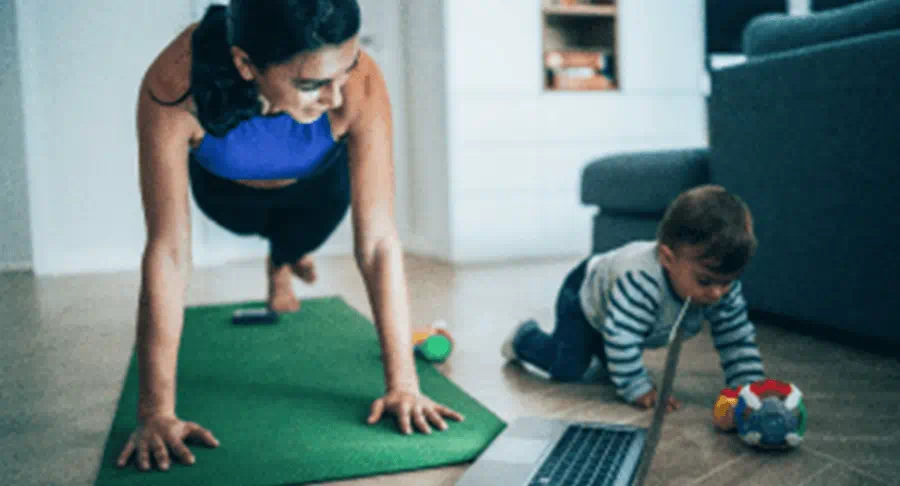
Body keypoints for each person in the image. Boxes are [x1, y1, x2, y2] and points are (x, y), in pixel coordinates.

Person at [117, 0, 463, 473]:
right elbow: (168, 252)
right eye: (312, 84)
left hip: (315, 191)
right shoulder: (176, 82)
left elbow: (379, 243)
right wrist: (155, 412)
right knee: (249, 223)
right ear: (245, 64)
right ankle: (283, 258)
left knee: (302, 234)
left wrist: (403, 383)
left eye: (344, 71)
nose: (336, 97)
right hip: (226, 195)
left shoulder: (359, 83)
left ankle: (283, 260)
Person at [500, 184, 767, 411]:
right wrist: (637, 388)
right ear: (667, 258)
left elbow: (737, 338)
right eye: (705, 281)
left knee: (612, 361)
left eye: (728, 282)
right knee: (567, 367)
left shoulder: (721, 287)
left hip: (618, 310)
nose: (717, 293)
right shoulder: (641, 281)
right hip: (584, 294)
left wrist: (749, 387)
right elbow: (622, 335)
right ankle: (525, 337)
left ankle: (600, 352)